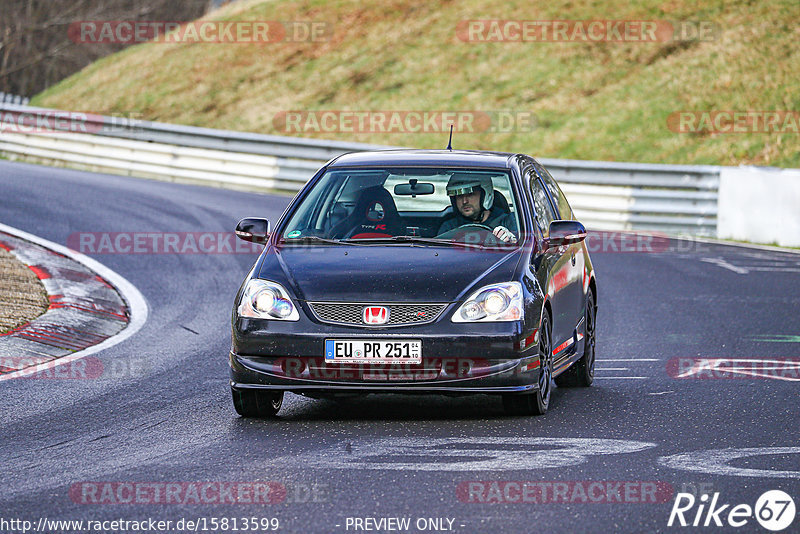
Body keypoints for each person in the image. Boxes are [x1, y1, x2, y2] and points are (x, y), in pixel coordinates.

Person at [437, 174, 518, 243]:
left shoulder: (508, 221)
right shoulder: (449, 227)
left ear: (485, 195)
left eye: (470, 194)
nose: (464, 201)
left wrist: (511, 239)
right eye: (459, 196)